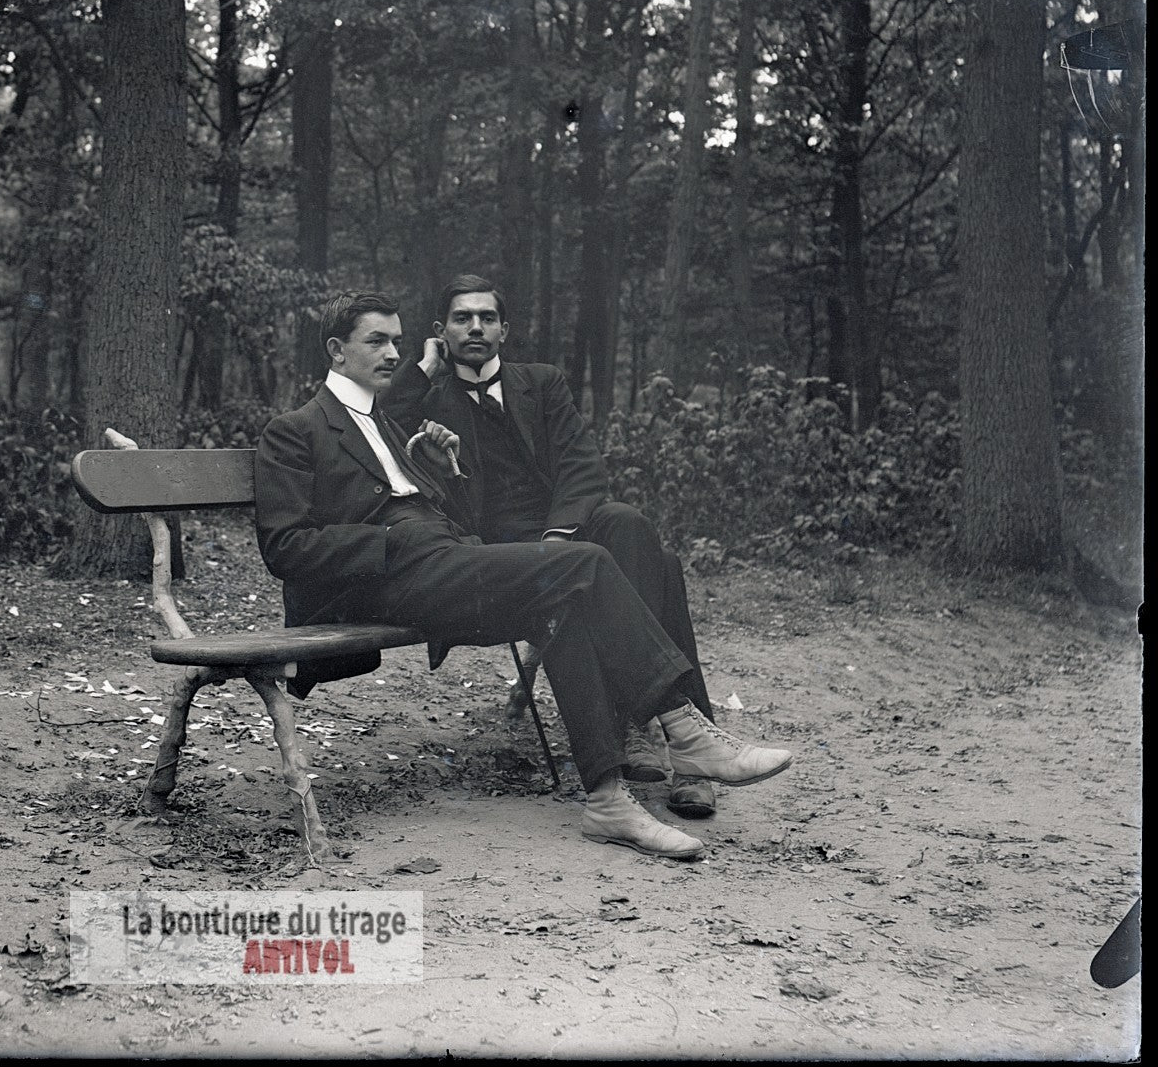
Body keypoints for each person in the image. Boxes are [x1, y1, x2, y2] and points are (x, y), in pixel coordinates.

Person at [254, 289, 792, 861]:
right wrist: (390, 541)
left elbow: (449, 518)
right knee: (582, 563)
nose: (392, 353)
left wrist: (445, 473)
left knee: (566, 599)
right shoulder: (296, 429)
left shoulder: (384, 422)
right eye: (377, 341)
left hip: (441, 562)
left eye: (397, 341)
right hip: (382, 582)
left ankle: (608, 800)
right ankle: (683, 729)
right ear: (337, 351)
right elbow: (285, 547)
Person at [385, 274, 725, 819]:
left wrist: (559, 537)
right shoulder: (428, 397)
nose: (475, 327)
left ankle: (656, 736)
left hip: (558, 533)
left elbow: (581, 467)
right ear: (440, 331)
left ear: (505, 329)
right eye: (461, 318)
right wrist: (422, 369)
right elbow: (377, 428)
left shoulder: (541, 383)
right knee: (663, 567)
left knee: (629, 526)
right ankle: (669, 734)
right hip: (495, 554)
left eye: (487, 318)